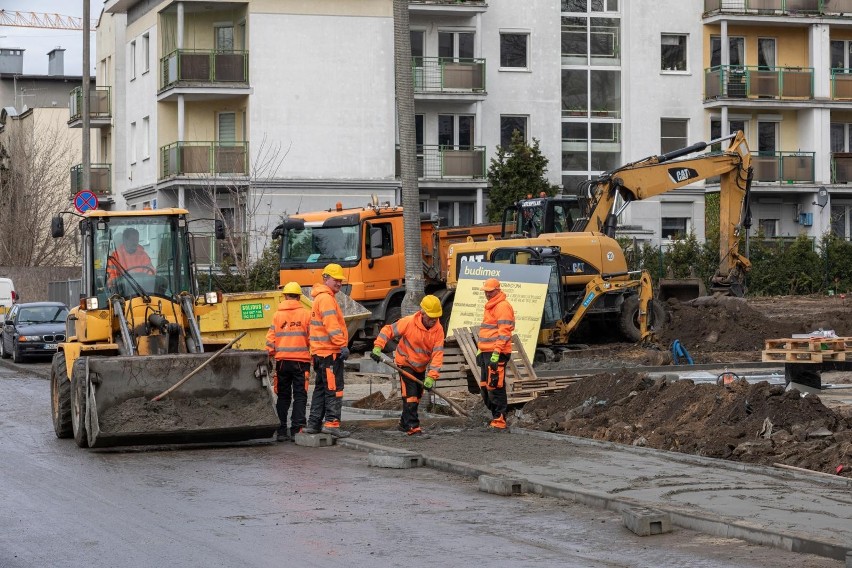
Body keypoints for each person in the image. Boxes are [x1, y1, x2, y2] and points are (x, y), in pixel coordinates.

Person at [371, 295, 445, 436]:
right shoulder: (409, 322)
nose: (433, 320)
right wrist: (378, 347)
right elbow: (388, 330)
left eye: (436, 317)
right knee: (410, 394)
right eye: (430, 317)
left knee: (417, 396)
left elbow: (437, 355)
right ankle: (413, 426)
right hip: (405, 362)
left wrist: (431, 377)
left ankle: (404, 423)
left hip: (421, 366)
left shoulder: (438, 330)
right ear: (422, 313)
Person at [304, 263, 351, 438]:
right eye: (336, 280)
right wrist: (342, 345)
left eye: (340, 280)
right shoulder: (326, 299)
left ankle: (314, 424)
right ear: (326, 279)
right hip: (329, 353)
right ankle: (332, 423)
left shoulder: (321, 297)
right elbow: (331, 326)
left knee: (322, 389)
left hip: (320, 353)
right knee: (334, 389)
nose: (339, 283)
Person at [265, 281, 311, 442]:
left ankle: (281, 430)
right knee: (300, 395)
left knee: (283, 396)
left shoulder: (277, 315)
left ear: (284, 296)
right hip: (301, 362)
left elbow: (271, 340)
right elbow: (312, 337)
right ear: (299, 297)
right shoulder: (306, 314)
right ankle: (297, 430)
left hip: (282, 362)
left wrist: (269, 355)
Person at [477, 278, 515, 430]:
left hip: (496, 352)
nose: (487, 294)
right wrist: (480, 351)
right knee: (486, 387)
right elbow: (487, 332)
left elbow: (504, 333)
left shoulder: (502, 306)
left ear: (498, 290)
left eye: (490, 291)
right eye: (486, 291)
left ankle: (500, 420)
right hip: (487, 352)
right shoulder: (491, 306)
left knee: (496, 386)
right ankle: (495, 417)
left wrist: (496, 352)